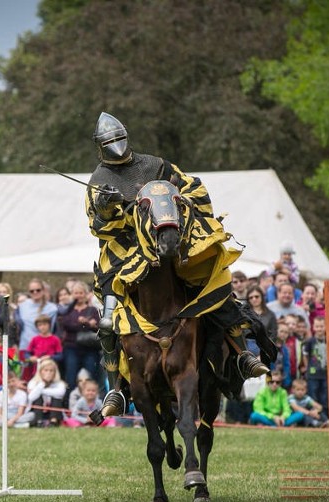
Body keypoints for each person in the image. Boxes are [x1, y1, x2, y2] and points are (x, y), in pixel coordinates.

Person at [85, 112, 269, 419]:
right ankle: (115, 386)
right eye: (110, 142)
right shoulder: (98, 183)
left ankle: (242, 353)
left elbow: (192, 187)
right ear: (100, 146)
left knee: (212, 284)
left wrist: (172, 202)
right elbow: (97, 227)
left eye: (119, 139)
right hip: (124, 253)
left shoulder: (156, 165)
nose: (116, 145)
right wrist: (109, 209)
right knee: (107, 320)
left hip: (167, 238)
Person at [57, 281, 102, 393]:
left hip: (90, 349)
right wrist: (85, 323)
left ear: (86, 294)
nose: (78, 295)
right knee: (71, 378)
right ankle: (69, 402)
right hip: (71, 348)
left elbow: (98, 328)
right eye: (76, 293)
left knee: (91, 377)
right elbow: (65, 324)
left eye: (81, 293)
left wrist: (86, 323)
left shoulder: (93, 310)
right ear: (72, 294)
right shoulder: (68, 310)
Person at [16, 278, 58, 351]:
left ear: (43, 290)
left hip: (44, 348)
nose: (35, 292)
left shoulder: (52, 308)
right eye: (32, 291)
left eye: (38, 290)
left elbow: (52, 329)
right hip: (25, 346)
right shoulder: (22, 306)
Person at [26, 357, 67, 427]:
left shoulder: (60, 383)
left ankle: (53, 422)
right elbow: (31, 397)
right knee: (37, 397)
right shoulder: (33, 382)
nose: (48, 373)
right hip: (36, 411)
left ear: (55, 372)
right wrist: (43, 383)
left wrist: (42, 391)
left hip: (53, 412)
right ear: (40, 371)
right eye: (46, 370)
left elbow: (60, 393)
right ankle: (39, 421)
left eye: (51, 371)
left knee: (56, 397)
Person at [303, 316, 329, 418]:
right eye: (317, 326)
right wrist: (307, 367)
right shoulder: (310, 341)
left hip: (325, 374)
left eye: (322, 326)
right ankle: (315, 418)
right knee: (313, 396)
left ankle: (325, 417)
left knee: (325, 396)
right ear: (313, 327)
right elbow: (305, 354)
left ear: (325, 327)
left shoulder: (328, 339)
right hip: (313, 374)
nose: (319, 329)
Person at [245, 286, 277, 351]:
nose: (254, 299)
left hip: (266, 348)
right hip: (248, 350)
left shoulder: (270, 315)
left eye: (256, 296)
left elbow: (273, 335)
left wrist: (265, 353)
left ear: (262, 297)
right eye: (251, 297)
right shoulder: (244, 314)